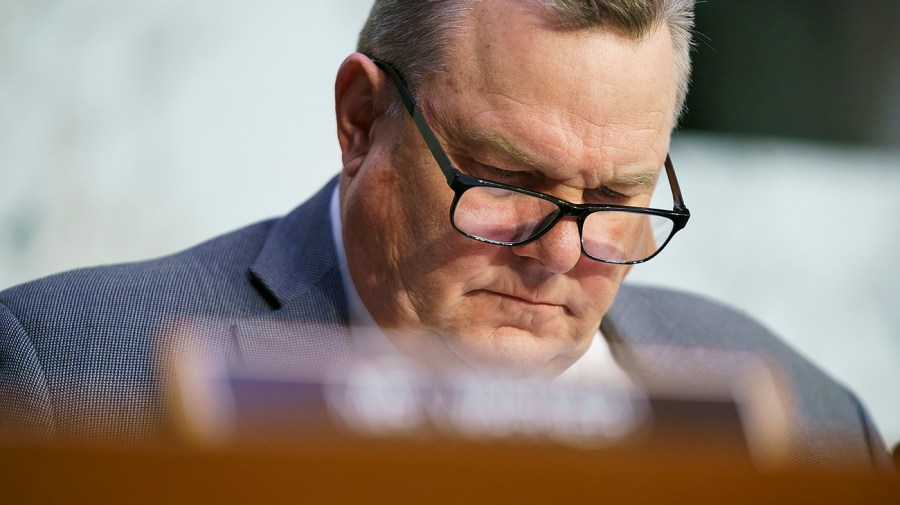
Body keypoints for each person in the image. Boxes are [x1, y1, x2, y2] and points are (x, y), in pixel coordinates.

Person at [0, 0, 890, 470]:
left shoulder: (816, 426)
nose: (563, 253)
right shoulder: (64, 383)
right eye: (507, 180)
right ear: (360, 120)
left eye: (619, 195)